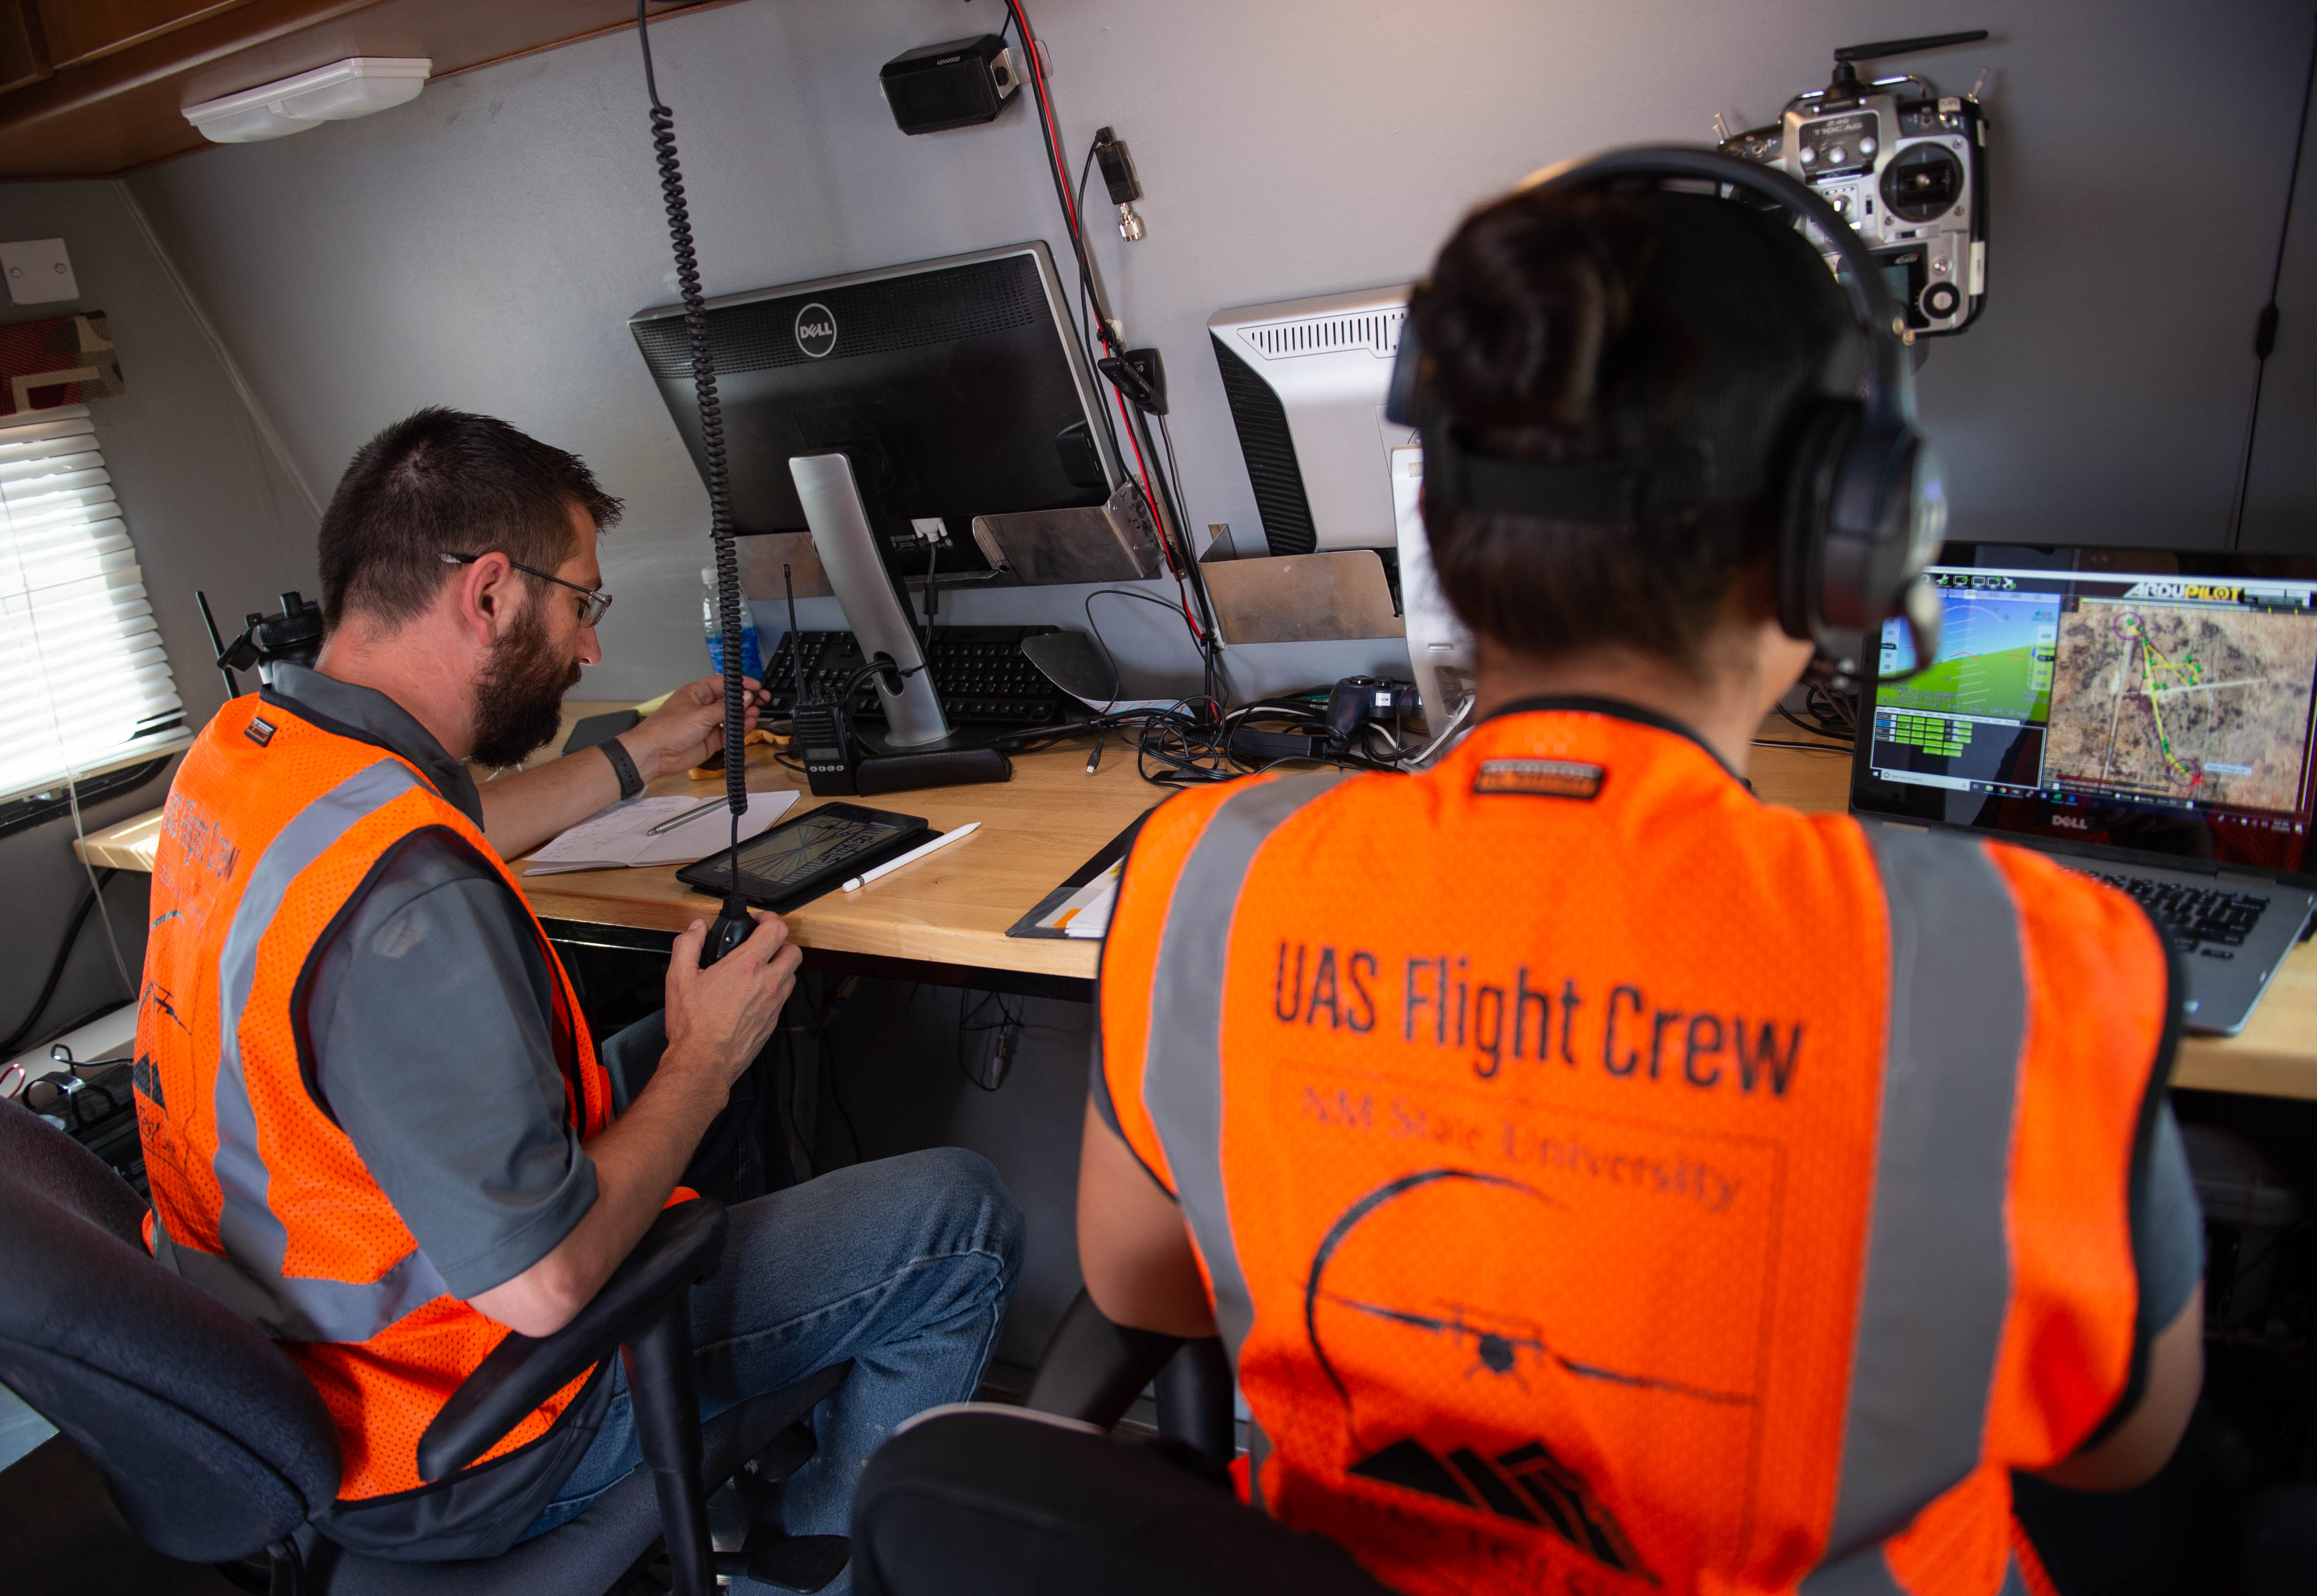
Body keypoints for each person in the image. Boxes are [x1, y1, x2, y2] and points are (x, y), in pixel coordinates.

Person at [853, 181, 2202, 1593]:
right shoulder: (2022, 955)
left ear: (1438, 525)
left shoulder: (1208, 876)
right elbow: (2121, 1441)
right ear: (1839, 542)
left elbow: (1142, 1289)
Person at [132, 408, 1022, 1575]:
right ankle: (814, 1557)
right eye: (581, 604)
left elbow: (438, 827)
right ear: (490, 593)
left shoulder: (252, 753)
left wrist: (636, 757)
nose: (591, 650)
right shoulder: (411, 909)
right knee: (957, 1216)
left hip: (276, 1355)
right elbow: (548, 1284)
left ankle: (746, 1439)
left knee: (726, 1046)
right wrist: (702, 1059)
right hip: (459, 1417)